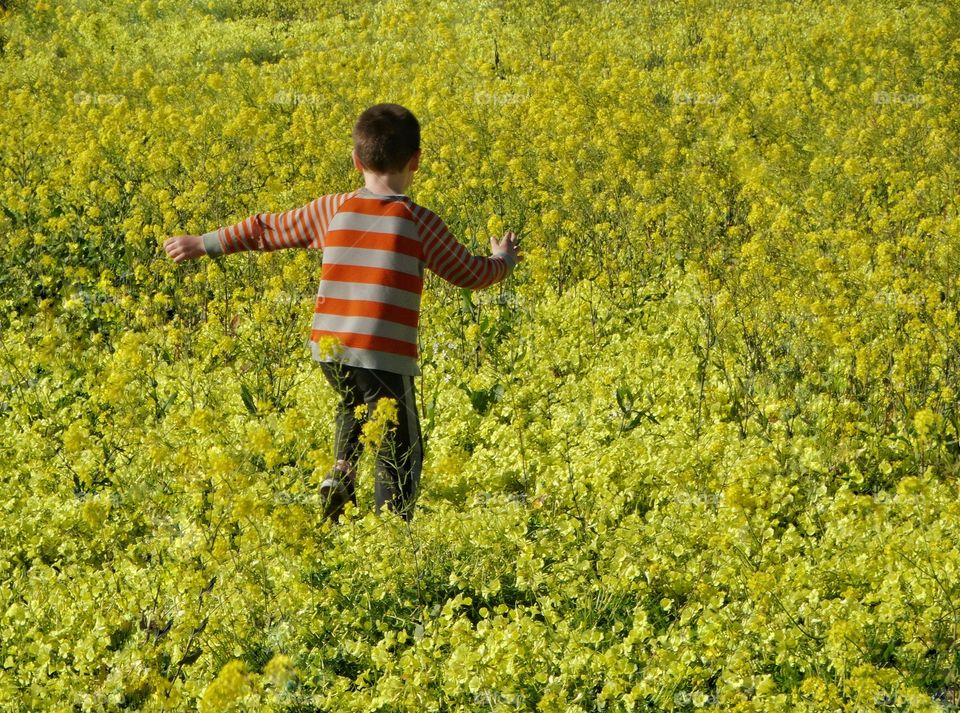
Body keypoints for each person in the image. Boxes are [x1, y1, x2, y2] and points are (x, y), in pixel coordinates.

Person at [163, 102, 521, 524]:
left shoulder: (332, 209)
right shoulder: (417, 221)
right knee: (399, 449)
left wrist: (204, 242)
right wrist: (503, 261)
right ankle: (392, 533)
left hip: (330, 350)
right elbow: (469, 273)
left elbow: (267, 228)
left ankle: (341, 474)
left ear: (356, 161)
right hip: (382, 354)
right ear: (416, 162)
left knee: (352, 404)